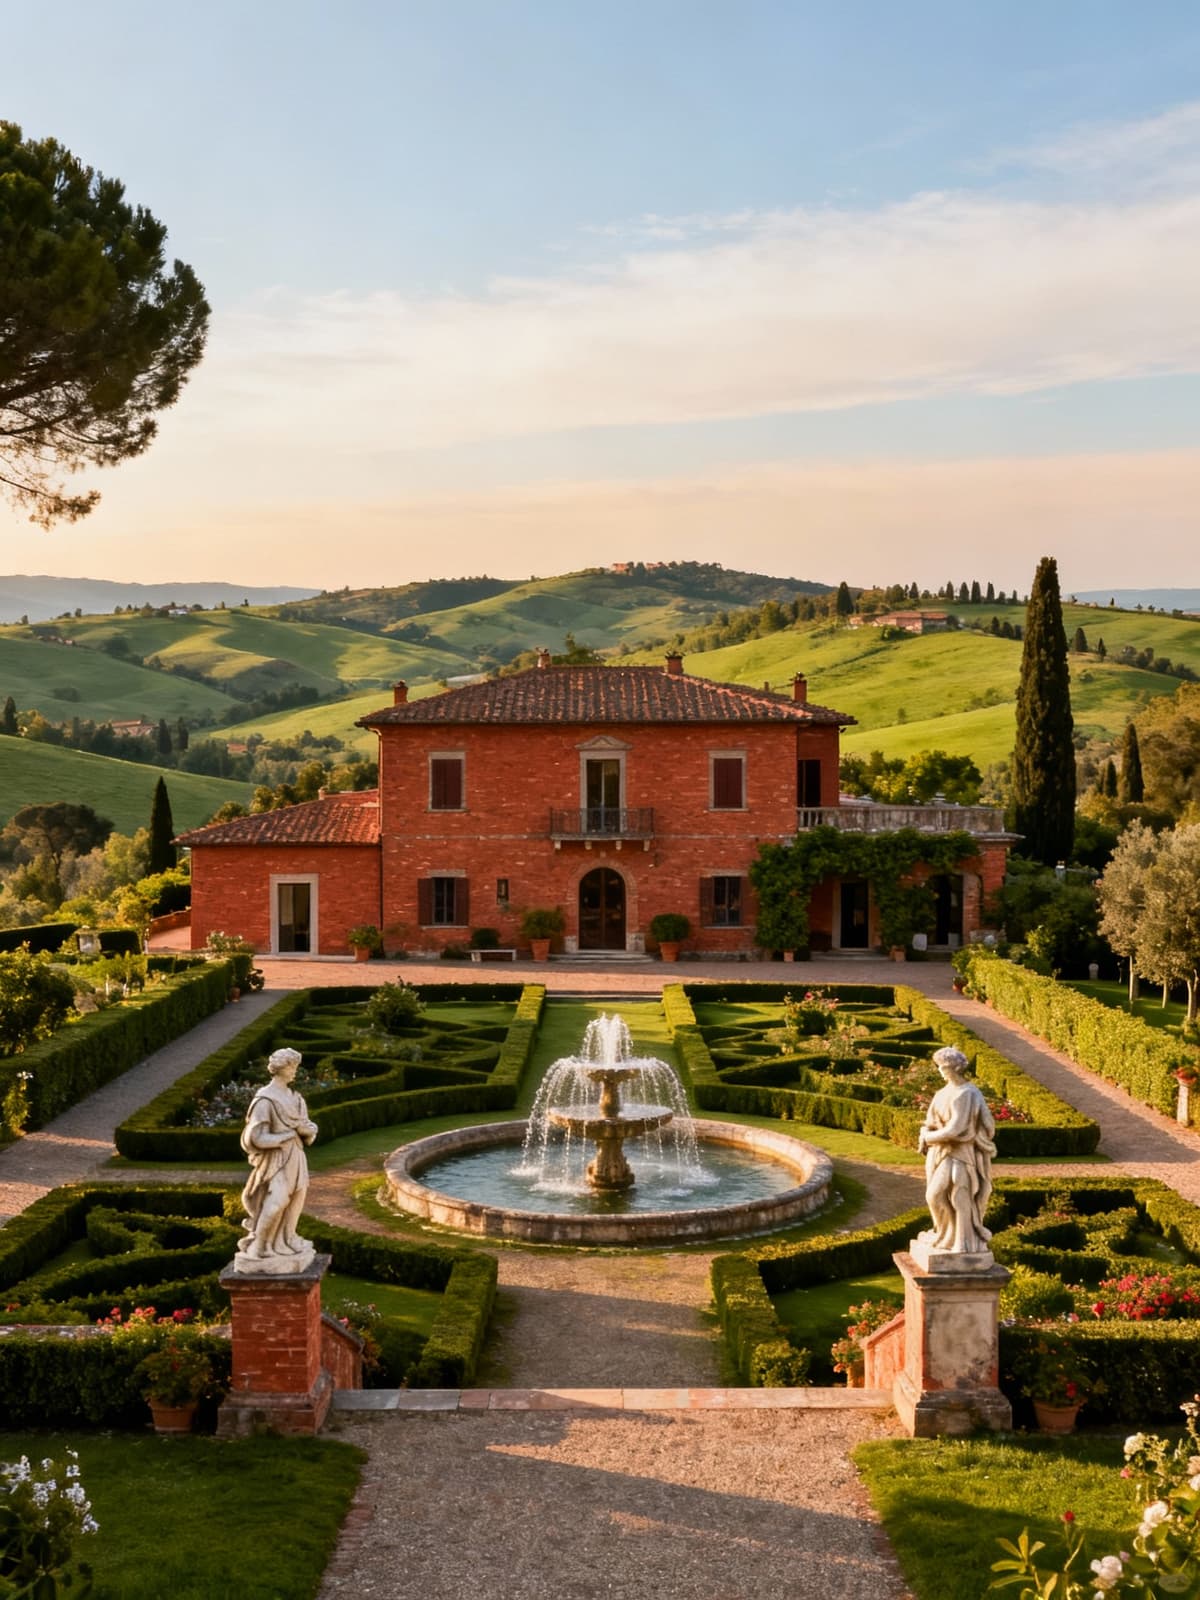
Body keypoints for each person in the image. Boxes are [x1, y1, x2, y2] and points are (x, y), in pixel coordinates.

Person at [237, 1047, 318, 1265]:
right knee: (278, 1200)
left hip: (296, 1155)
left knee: (297, 1198)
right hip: (277, 1158)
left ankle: (286, 1240)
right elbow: (256, 1137)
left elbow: (307, 1126)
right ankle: (258, 1247)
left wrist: (309, 1131)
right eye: (292, 1067)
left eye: (296, 1067)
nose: (295, 1072)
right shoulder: (266, 1099)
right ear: (281, 1067)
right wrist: (285, 1136)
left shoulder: (296, 1098)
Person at [917, 1046, 996, 1254]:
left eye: (942, 1066)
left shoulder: (967, 1093)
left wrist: (929, 1137)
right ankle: (947, 1234)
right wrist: (925, 1131)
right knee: (934, 1197)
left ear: (953, 1068)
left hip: (961, 1152)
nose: (939, 1070)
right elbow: (930, 1121)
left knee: (960, 1195)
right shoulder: (942, 1093)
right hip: (941, 1152)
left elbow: (956, 1128)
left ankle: (963, 1242)